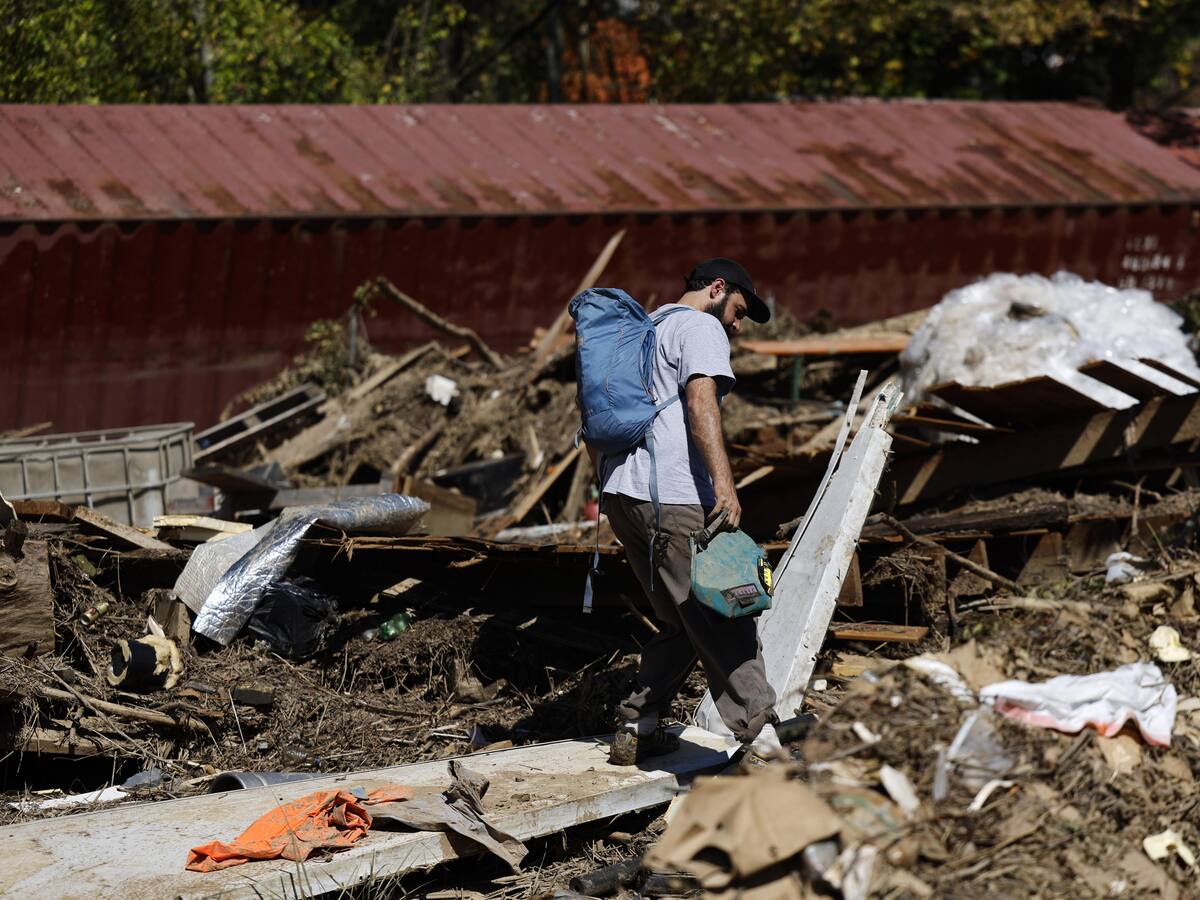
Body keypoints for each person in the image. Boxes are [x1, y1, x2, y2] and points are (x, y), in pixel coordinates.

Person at [590, 257, 778, 765]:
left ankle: (638, 723)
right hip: (672, 495)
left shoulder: (643, 329)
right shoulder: (700, 326)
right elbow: (701, 402)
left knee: (679, 619)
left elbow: (590, 414)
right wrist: (724, 485)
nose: (737, 325)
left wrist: (606, 488)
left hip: (624, 497)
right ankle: (764, 743)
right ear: (717, 289)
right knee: (725, 614)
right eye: (738, 309)